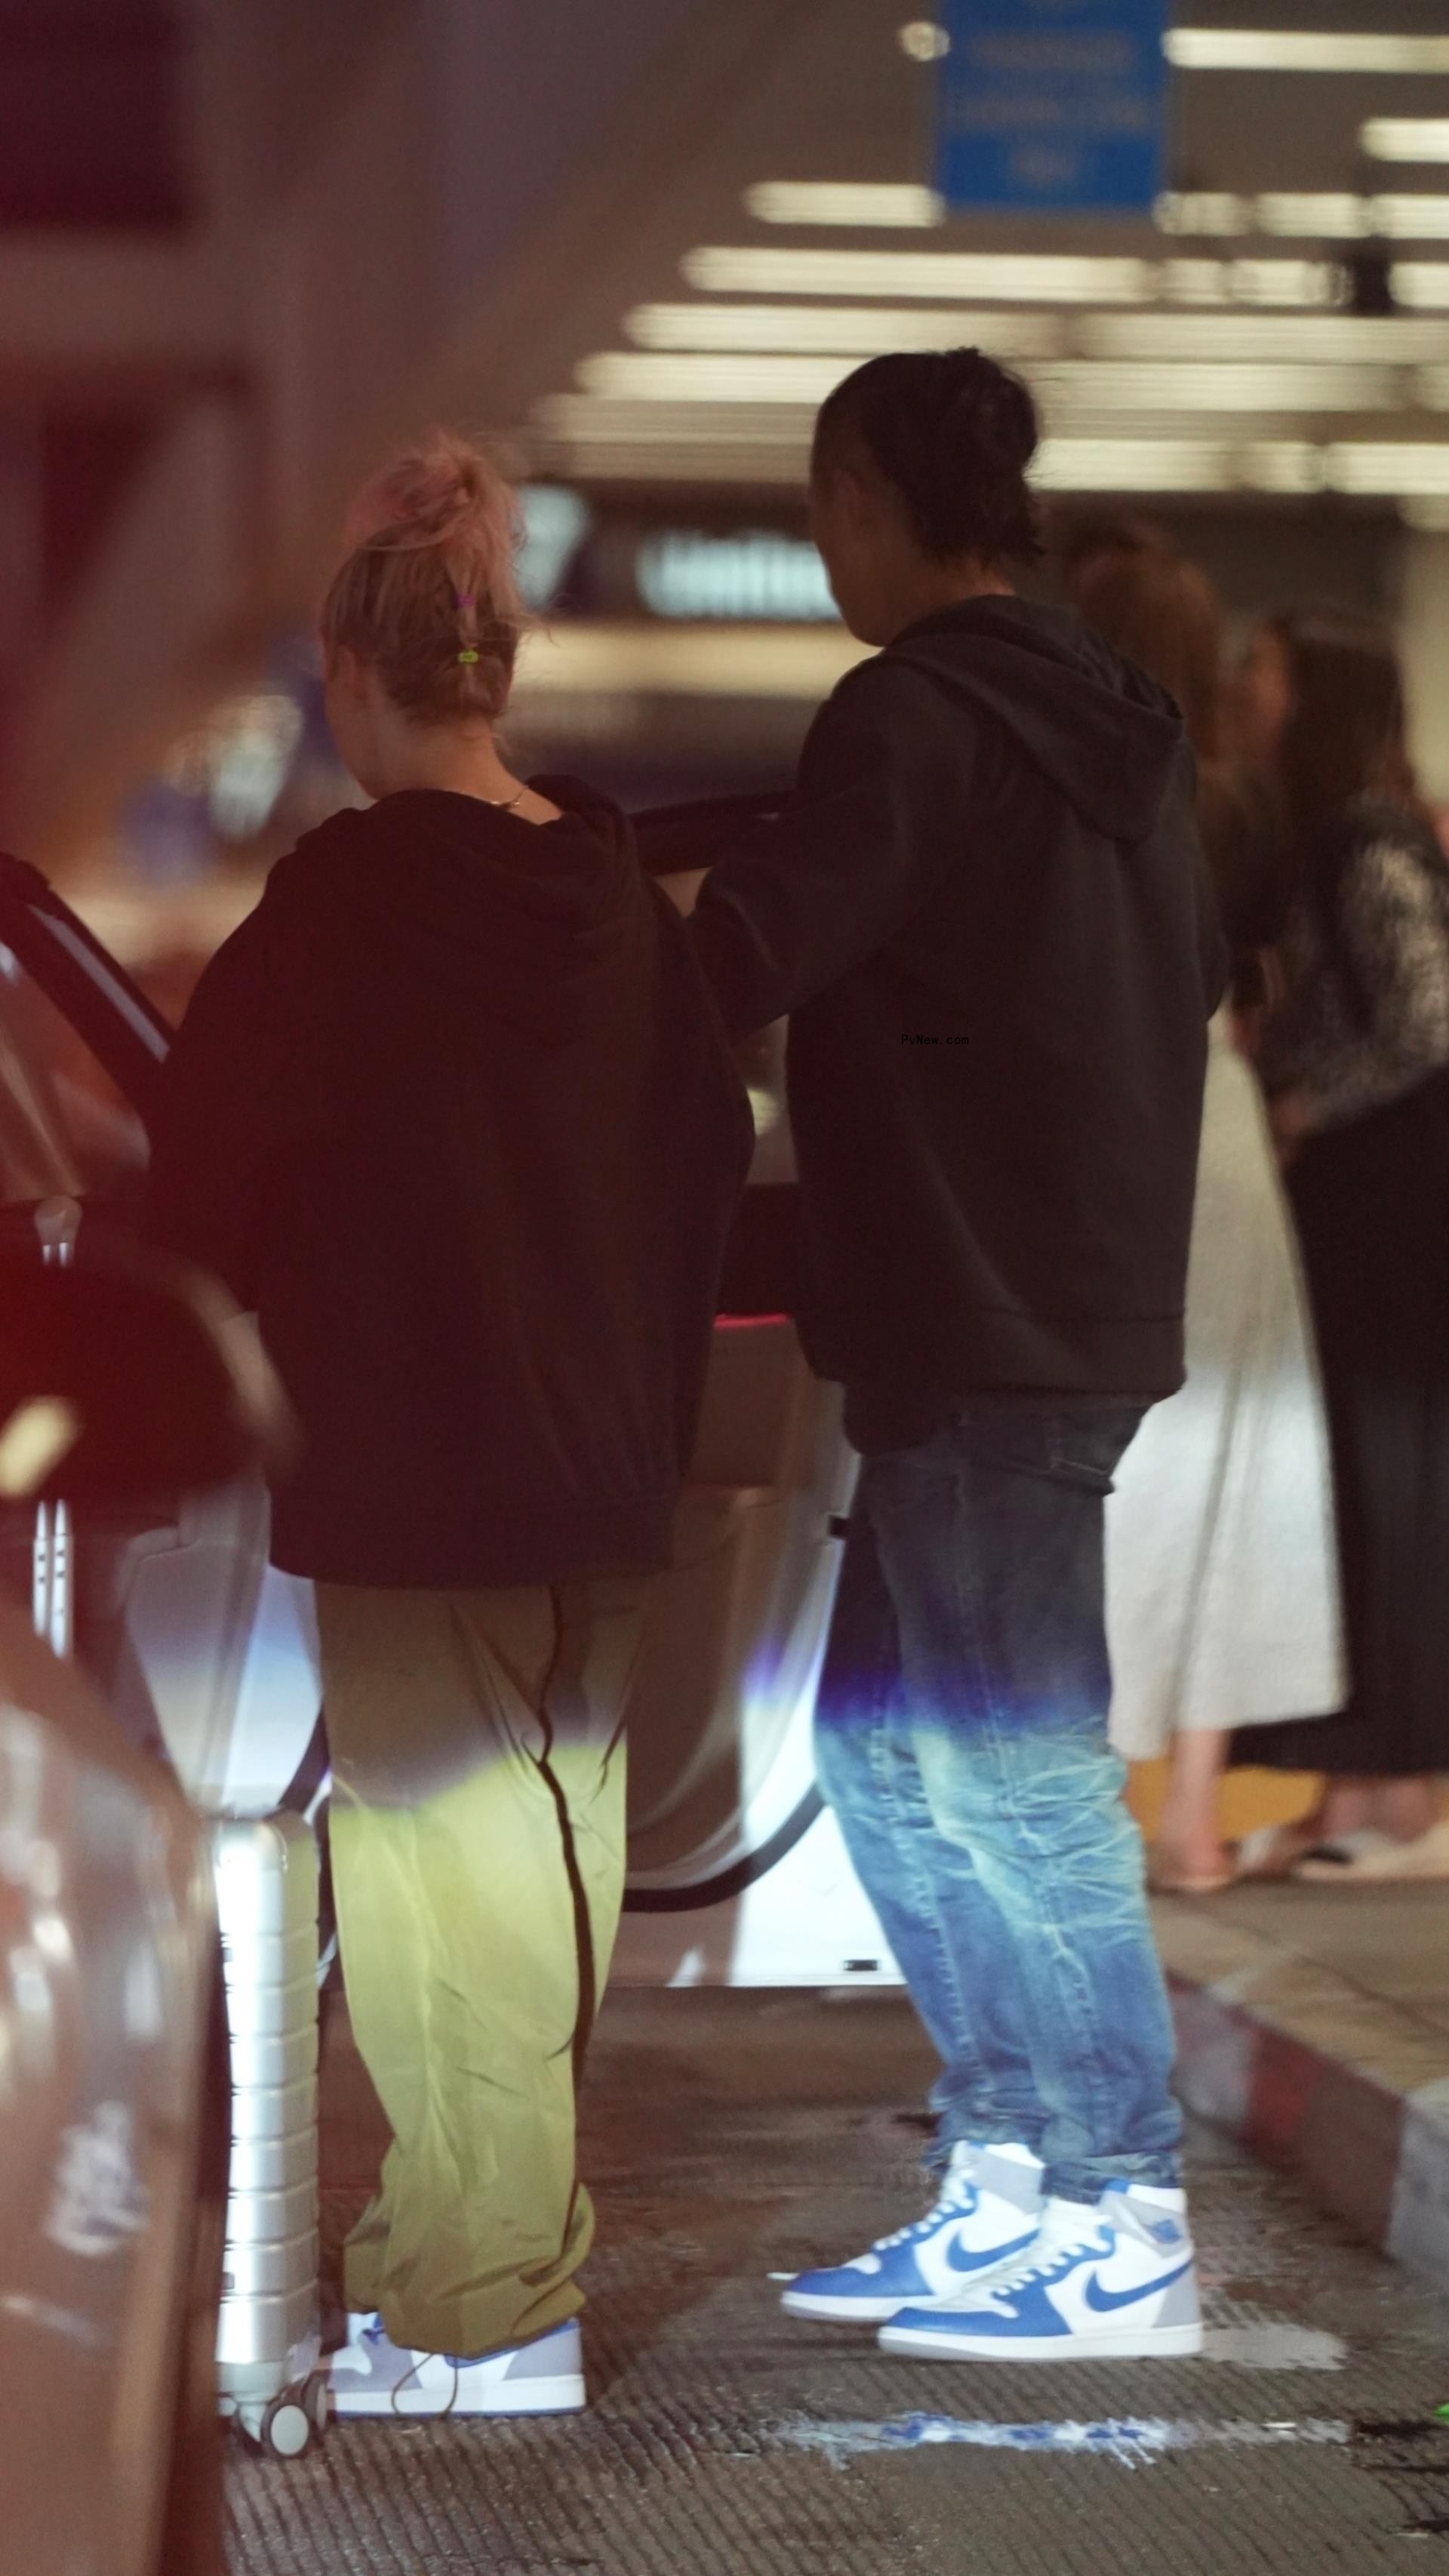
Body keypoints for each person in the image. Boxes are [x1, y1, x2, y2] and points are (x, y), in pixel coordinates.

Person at [145, 431, 754, 2415]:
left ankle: (489, 2310)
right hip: (598, 1461)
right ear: (500, 667)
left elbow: (196, 1191)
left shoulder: (333, 917)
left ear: (353, 674)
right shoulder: (621, 909)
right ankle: (480, 2256)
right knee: (549, 1870)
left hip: (413, 1465)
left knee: (442, 1894)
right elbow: (703, 1168)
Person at [674, 348, 1224, 2362]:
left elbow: (756, 948)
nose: (827, 544)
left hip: (982, 1315)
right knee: (886, 1751)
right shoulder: (1122, 718)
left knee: (1006, 1766)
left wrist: (590, 945)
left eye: (830, 502)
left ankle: (1123, 2211)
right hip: (1032, 1299)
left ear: (889, 503)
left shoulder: (909, 716)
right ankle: (1007, 2176)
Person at [1067, 543, 1344, 1894]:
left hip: (1125, 1126)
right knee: (1243, 1459)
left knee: (1115, 1458)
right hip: (1228, 1121)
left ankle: (1090, 1790)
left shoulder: (1084, 792)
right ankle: (1189, 1817)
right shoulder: (1237, 804)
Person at [1229, 610, 1449, 1881]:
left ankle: (1391, 1785)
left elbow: (1426, 1019)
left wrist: (1300, 1100)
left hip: (1390, 1217)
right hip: (1369, 1215)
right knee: (1363, 1484)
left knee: (1384, 1479)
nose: (1245, 692)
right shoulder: (1339, 841)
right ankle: (1357, 1780)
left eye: (1263, 673)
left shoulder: (1368, 842)